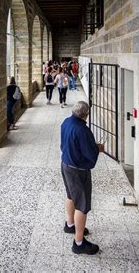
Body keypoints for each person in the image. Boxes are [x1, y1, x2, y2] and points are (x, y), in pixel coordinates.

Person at [60, 101, 104, 255]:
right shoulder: (83, 130)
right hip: (78, 171)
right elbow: (90, 155)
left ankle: (70, 224)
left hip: (65, 164)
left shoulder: (66, 122)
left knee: (71, 195)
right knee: (82, 205)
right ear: (86, 115)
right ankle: (78, 243)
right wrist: (98, 149)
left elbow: (63, 144)